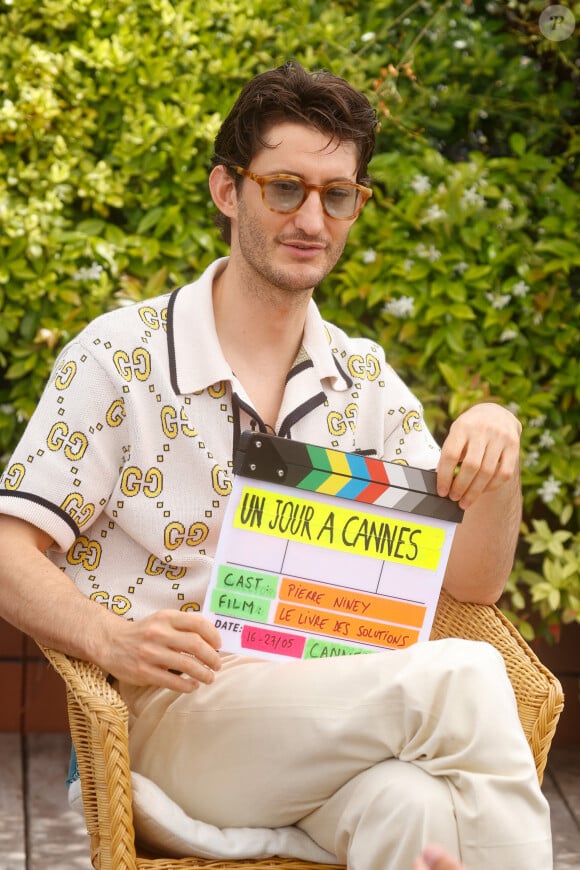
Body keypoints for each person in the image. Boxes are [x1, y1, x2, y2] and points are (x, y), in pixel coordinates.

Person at [0, 61, 552, 869]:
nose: (312, 218)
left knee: (417, 811)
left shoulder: (363, 378)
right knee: (465, 676)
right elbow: (8, 549)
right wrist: (109, 639)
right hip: (178, 717)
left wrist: (497, 454)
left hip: (331, 708)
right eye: (285, 187)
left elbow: (471, 584)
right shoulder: (120, 356)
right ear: (229, 190)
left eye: (338, 195)